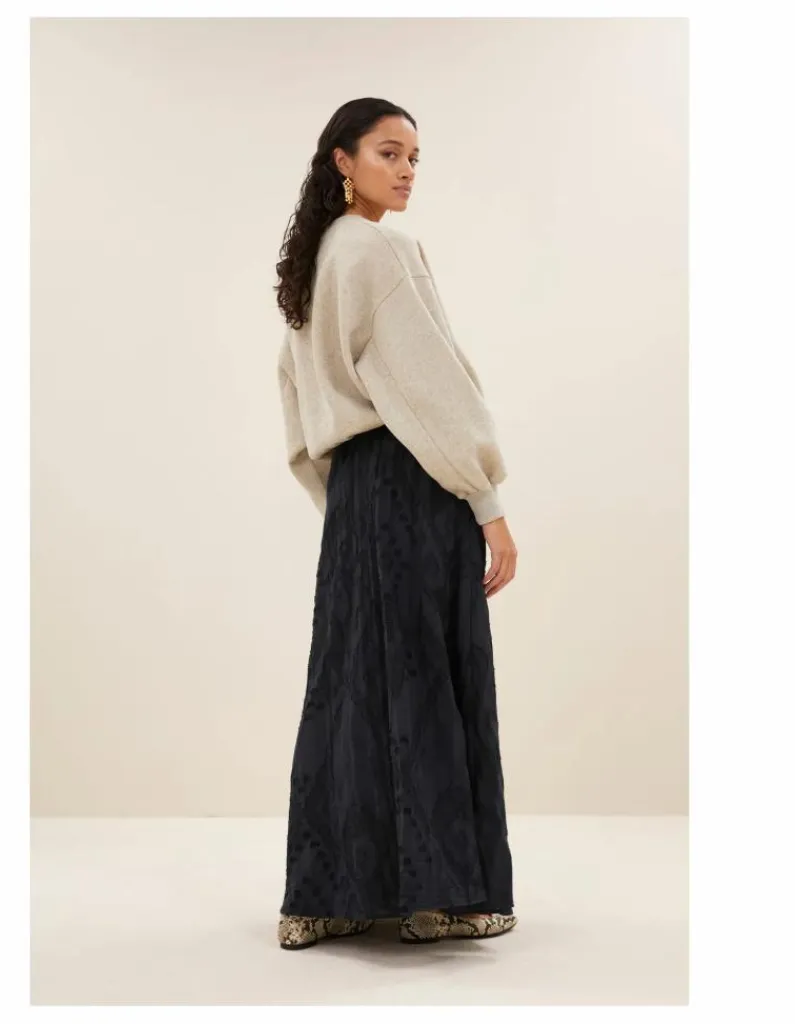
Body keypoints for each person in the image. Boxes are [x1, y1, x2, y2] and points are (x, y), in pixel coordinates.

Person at [273, 98, 518, 950]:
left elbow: (296, 398)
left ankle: (329, 897)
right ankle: (439, 897)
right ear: (342, 161)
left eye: (415, 157)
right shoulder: (382, 250)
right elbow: (433, 386)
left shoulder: (313, 262)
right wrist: (486, 501)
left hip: (357, 497)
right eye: (388, 153)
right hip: (416, 483)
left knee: (350, 688)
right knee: (428, 681)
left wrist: (344, 502)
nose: (407, 170)